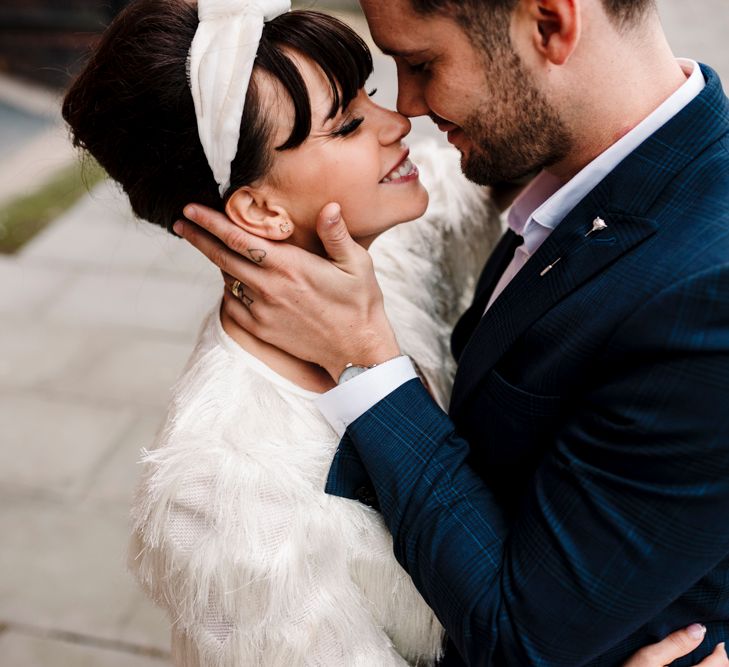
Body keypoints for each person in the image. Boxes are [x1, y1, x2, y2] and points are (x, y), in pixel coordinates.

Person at [173, 0, 729, 665]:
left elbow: (517, 635)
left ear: (549, 24)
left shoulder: (702, 295)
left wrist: (368, 363)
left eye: (420, 63)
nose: (404, 107)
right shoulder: (584, 174)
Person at [62, 0, 501, 664]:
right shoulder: (219, 496)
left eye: (369, 95)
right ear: (260, 209)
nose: (396, 122)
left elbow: (497, 183)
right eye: (349, 123)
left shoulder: (379, 246)